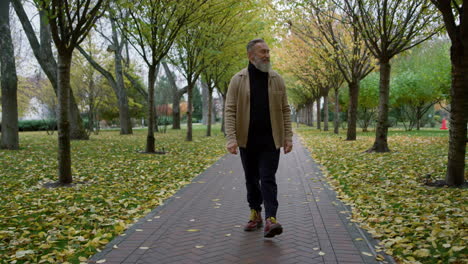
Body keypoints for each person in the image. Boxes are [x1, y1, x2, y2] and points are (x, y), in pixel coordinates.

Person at [224, 38, 293, 238]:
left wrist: (288, 137)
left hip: (271, 140)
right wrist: (231, 138)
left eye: (268, 51)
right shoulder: (238, 79)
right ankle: (255, 213)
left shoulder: (276, 79)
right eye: (262, 52)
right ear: (250, 56)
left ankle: (271, 218)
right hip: (247, 140)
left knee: (267, 178)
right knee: (251, 179)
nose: (267, 55)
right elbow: (230, 110)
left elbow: (285, 110)